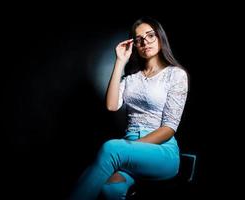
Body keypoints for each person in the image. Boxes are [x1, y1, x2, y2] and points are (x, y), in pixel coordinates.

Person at [69, 16, 189, 200]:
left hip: (162, 151)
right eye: (139, 39)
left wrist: (126, 151)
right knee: (111, 189)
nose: (145, 42)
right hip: (129, 148)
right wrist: (120, 61)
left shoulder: (176, 75)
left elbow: (169, 128)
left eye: (150, 36)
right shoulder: (131, 79)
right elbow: (111, 105)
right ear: (134, 45)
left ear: (160, 38)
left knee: (111, 148)